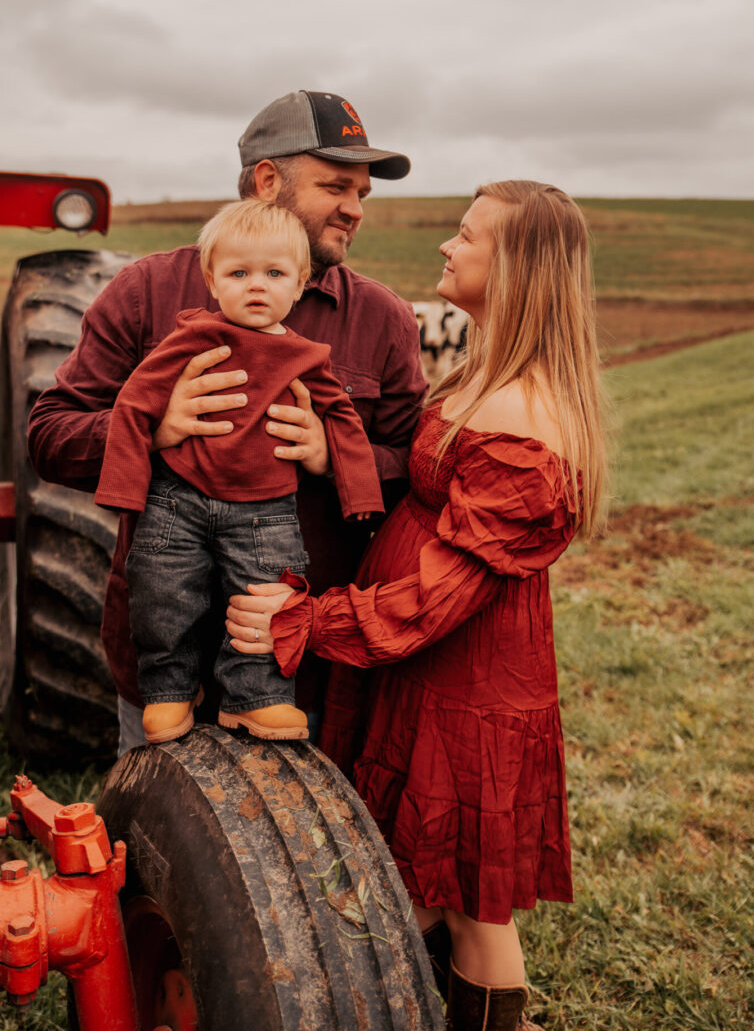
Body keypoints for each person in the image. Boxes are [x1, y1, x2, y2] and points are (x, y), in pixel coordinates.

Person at [226, 181, 609, 1031]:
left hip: (464, 687)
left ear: (513, 268)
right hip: (429, 675)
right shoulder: (485, 374)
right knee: (421, 886)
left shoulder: (524, 412)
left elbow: (440, 597)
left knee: (475, 907)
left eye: (465, 235)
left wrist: (310, 621)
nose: (446, 246)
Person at [27, 90, 428, 754]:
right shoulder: (148, 293)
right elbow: (49, 435)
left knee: (294, 852)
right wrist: (151, 429)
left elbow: (414, 465)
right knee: (160, 836)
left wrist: (337, 456)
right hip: (163, 663)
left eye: (362, 193)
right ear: (268, 182)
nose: (355, 209)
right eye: (336, 186)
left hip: (300, 666)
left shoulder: (379, 317)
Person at [95, 199, 384, 743]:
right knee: (164, 592)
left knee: (265, 601)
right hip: (177, 501)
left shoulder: (305, 355)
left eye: (274, 274)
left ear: (299, 285)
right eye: (239, 273)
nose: (257, 286)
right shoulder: (192, 338)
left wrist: (353, 487)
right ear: (212, 281)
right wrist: (127, 488)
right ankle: (168, 693)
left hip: (266, 511)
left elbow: (342, 417)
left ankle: (256, 699)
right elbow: (135, 401)